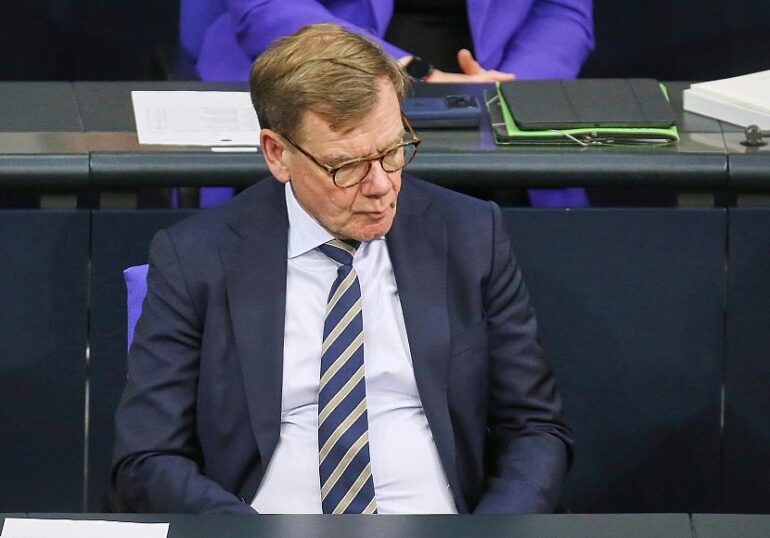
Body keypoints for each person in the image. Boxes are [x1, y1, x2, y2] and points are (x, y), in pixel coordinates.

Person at [112, 23, 572, 514]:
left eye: (393, 151)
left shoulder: (470, 234)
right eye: (346, 166)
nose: (381, 186)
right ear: (278, 154)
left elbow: (535, 429)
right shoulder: (196, 257)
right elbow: (147, 457)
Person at [184, 0, 593, 83]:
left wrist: (506, 90)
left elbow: (561, 12)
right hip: (322, 86)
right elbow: (266, 8)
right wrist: (407, 74)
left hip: (490, 109)